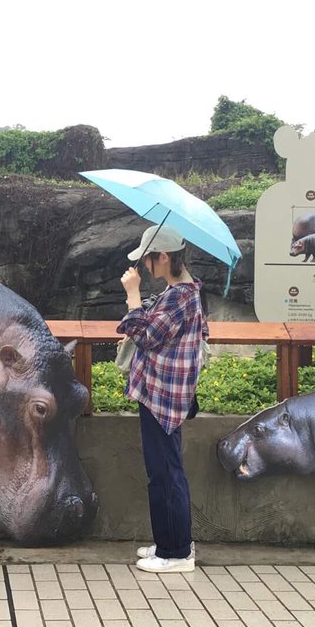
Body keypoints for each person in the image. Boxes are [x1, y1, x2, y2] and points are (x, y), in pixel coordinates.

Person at [117, 224, 209, 573]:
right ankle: (170, 541)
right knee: (164, 469)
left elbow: (147, 336)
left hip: (163, 396)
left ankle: (176, 553)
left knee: (165, 472)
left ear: (164, 257)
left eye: (148, 260)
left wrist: (133, 296)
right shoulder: (184, 293)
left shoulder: (179, 297)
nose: (145, 267)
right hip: (164, 392)